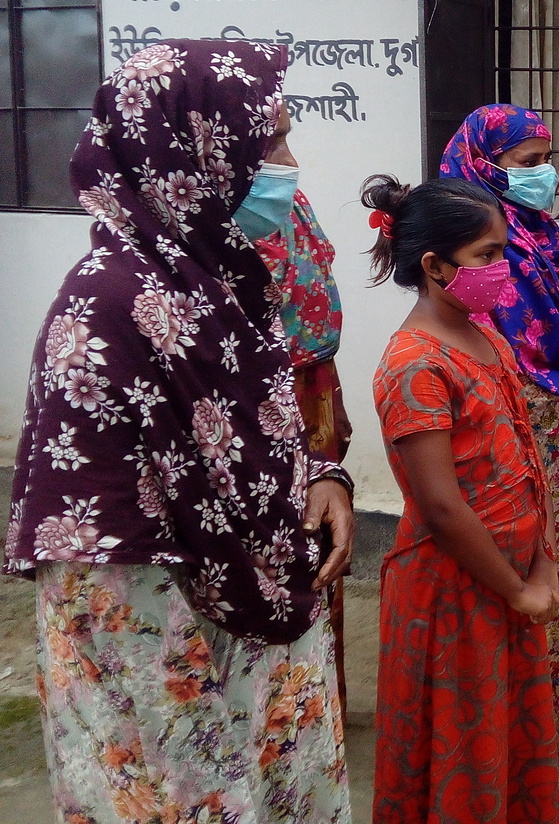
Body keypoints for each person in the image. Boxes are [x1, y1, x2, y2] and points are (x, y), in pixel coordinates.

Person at [3, 40, 354, 823]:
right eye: (271, 143)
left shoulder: (214, 277)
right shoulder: (106, 312)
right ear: (187, 154)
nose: (287, 163)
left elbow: (250, 439)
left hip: (260, 639)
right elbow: (103, 584)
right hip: (168, 665)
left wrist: (323, 475)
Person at [365, 174, 559, 824]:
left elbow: (527, 461)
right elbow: (442, 509)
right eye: (486, 255)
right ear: (433, 266)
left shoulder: (487, 337)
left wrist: (543, 564)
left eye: (504, 250)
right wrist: (516, 589)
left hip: (510, 586)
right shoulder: (413, 365)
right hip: (455, 599)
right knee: (461, 762)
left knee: (506, 751)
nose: (502, 268)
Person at [439, 105, 559, 782]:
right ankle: (532, 768)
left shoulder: (550, 246)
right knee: (527, 601)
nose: (545, 175)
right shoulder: (472, 262)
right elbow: (473, 367)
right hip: (511, 472)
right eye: (527, 164)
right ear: (482, 168)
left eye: (548, 159)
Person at [255, 184, 354, 715]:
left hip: (312, 391)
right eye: (274, 140)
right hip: (254, 397)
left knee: (320, 547)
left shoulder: (284, 201)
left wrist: (331, 402)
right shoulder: (207, 216)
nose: (288, 162)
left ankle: (324, 705)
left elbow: (313, 306)